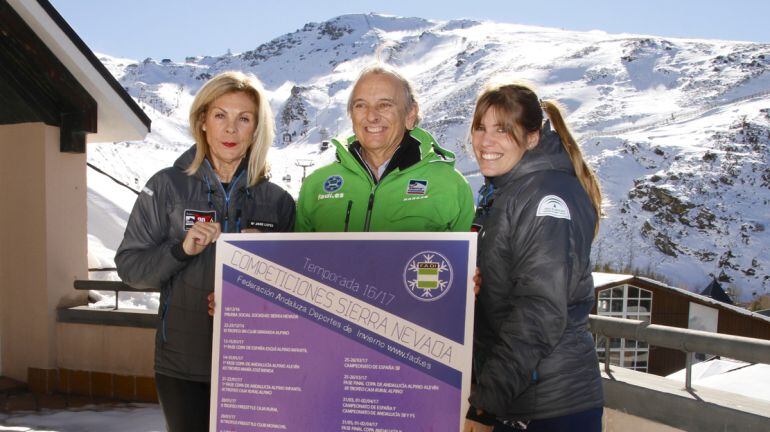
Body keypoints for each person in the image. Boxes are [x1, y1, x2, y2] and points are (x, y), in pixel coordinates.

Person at [115, 71, 295, 432]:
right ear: (202, 121)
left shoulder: (278, 202)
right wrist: (181, 250)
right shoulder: (166, 186)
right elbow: (131, 269)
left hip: (258, 365)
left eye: (243, 118)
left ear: (257, 128)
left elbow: (297, 295)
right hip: (182, 365)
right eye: (220, 116)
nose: (231, 129)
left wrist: (261, 273)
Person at [463, 82, 604, 432]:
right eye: (480, 127)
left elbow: (539, 310)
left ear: (532, 137)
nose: (485, 141)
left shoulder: (545, 197)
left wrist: (484, 407)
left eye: (503, 130)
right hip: (522, 396)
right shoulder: (507, 191)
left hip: (549, 407)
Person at [295, 64, 474, 232]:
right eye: (360, 105)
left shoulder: (449, 184)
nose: (371, 116)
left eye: (385, 105)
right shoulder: (316, 186)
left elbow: (464, 260)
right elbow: (297, 260)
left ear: (410, 114)